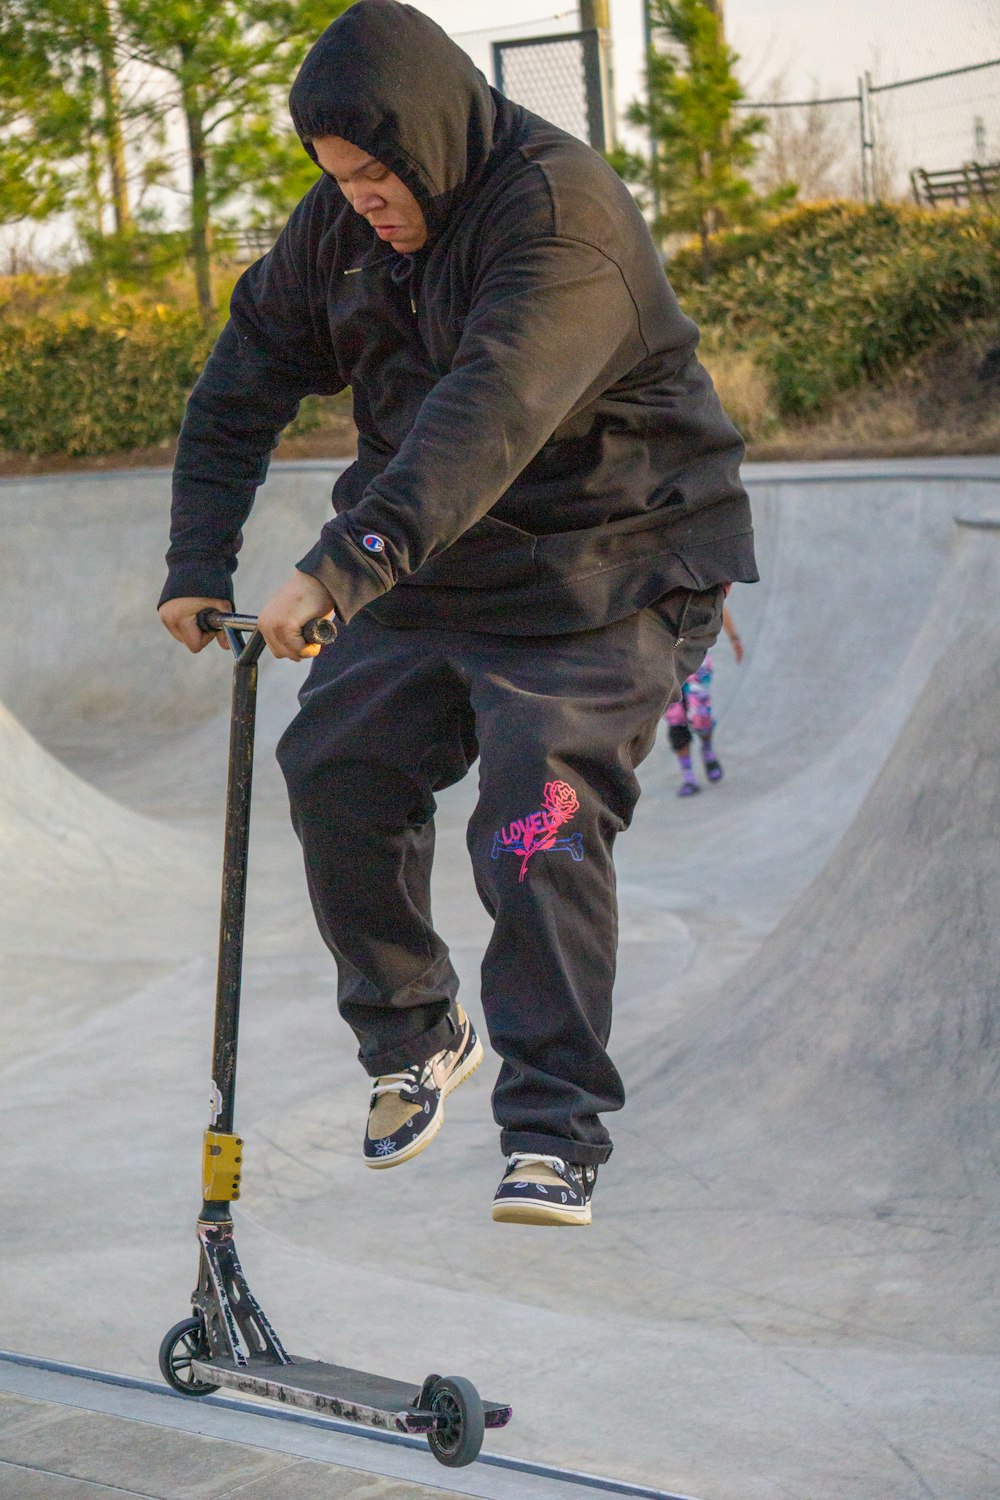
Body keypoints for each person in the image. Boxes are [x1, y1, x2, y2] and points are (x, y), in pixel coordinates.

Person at [158, 0, 758, 1227]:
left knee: (531, 810)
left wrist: (337, 567)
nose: (362, 198)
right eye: (338, 178)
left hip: (611, 572)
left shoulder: (559, 217)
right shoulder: (336, 229)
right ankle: (414, 1032)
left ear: (432, 137)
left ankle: (553, 1130)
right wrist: (194, 559)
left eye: (379, 173)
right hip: (441, 575)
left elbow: (482, 413)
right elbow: (239, 381)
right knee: (332, 762)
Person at [665, 605, 744, 796]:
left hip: (695, 656)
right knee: (675, 718)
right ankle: (688, 777)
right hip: (666, 660)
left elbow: (718, 604)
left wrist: (734, 638)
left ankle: (707, 750)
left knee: (700, 716)